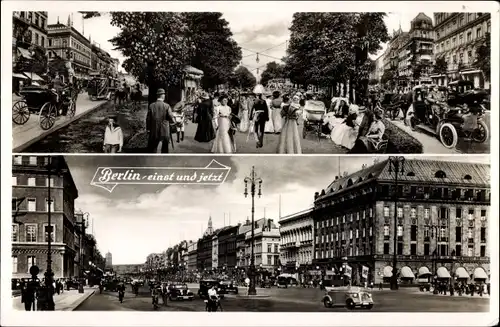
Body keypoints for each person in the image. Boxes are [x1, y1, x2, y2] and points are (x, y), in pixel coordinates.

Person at [146, 88, 175, 153]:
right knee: (165, 148)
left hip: (154, 129)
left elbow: (148, 119)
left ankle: (152, 160)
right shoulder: (167, 106)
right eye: (164, 94)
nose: (164, 96)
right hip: (164, 130)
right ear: (162, 95)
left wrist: (148, 129)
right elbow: (171, 117)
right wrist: (174, 122)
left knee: (153, 147)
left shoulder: (151, 106)